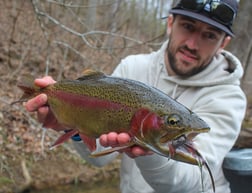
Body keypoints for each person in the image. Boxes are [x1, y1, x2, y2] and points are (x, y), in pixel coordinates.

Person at [25, 0, 247, 192]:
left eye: (210, 35)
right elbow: (101, 157)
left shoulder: (229, 98)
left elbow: (187, 183)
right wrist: (69, 122)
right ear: (171, 23)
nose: (192, 44)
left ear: (223, 43)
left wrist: (150, 150)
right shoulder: (132, 67)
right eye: (188, 27)